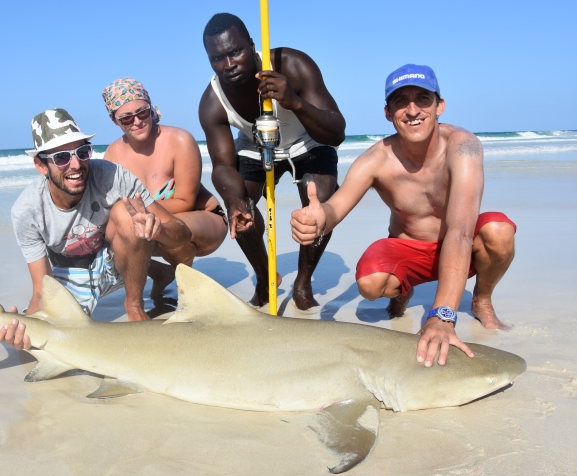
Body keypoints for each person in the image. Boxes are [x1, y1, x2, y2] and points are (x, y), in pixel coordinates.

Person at [290, 64, 517, 367]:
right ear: (387, 112)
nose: (412, 110)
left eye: (423, 99)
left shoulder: (464, 146)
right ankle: (402, 291)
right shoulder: (376, 159)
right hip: (409, 246)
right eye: (400, 101)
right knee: (370, 285)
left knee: (499, 232)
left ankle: (482, 299)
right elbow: (336, 207)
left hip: (460, 243)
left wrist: (442, 316)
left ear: (440, 106)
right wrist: (319, 219)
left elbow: (461, 231)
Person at [0, 108, 193, 349]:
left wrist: (160, 231)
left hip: (113, 260)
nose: (76, 164)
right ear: (41, 165)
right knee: (37, 343)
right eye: (61, 157)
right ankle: (157, 272)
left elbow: (183, 234)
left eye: (82, 152)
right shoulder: (27, 210)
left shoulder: (113, 177)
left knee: (126, 212)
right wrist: (27, 328)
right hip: (71, 272)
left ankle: (134, 306)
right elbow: (42, 289)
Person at [198, 12, 346, 310]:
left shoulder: (293, 65)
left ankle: (303, 282)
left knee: (320, 192)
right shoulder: (212, 102)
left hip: (307, 138)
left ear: (252, 46)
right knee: (243, 212)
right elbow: (223, 166)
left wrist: (294, 101)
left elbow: (336, 132)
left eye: (235, 52)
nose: (228, 65)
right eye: (217, 58)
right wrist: (233, 200)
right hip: (255, 144)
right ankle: (265, 278)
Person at [102, 78, 227, 297]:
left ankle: (188, 290)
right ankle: (160, 272)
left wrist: (139, 212)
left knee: (165, 229)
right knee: (107, 234)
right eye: (127, 118)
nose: (137, 121)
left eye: (142, 113)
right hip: (152, 224)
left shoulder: (180, 140)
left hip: (202, 219)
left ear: (151, 109)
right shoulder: (112, 154)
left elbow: (185, 201)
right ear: (115, 121)